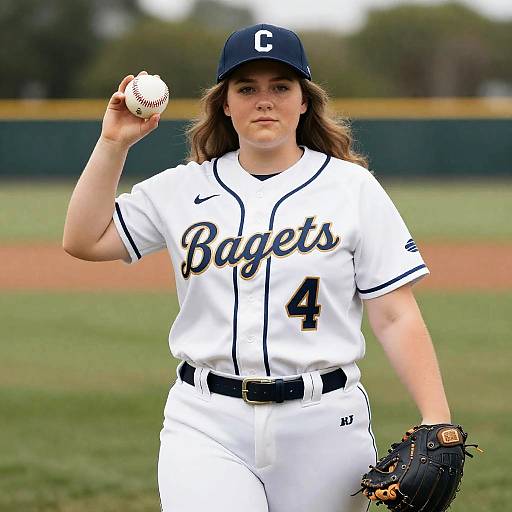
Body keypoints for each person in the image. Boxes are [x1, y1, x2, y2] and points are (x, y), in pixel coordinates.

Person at [63, 23, 451, 512]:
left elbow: (395, 314)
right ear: (225, 103)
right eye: (247, 88)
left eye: (280, 87)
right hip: (205, 419)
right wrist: (114, 142)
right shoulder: (183, 189)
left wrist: (436, 418)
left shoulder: (352, 188)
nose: (264, 100)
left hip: (325, 422)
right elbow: (83, 239)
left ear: (304, 101)